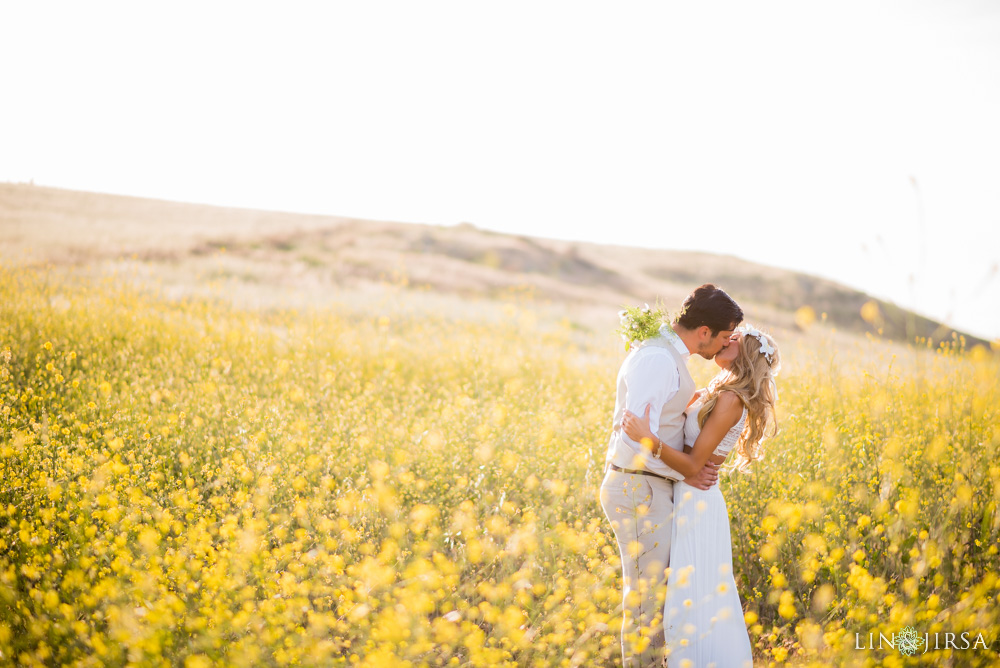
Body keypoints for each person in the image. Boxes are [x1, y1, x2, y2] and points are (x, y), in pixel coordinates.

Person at [600, 284, 744, 667]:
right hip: (637, 485)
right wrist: (686, 473)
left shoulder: (667, 357)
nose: (723, 346)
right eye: (724, 337)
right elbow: (634, 439)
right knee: (647, 601)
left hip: (649, 485)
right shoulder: (658, 360)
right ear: (704, 332)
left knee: (657, 597)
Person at [622, 324, 780, 668]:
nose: (726, 340)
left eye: (733, 339)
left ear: (747, 354)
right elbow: (679, 421)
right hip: (687, 492)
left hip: (698, 500)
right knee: (683, 594)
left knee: (694, 595)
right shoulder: (717, 389)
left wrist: (646, 438)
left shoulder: (731, 399)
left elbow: (695, 464)